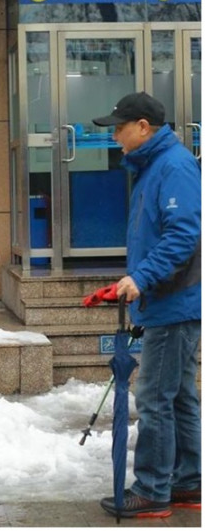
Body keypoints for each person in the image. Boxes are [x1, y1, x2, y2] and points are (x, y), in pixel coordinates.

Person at [92, 92, 201, 518]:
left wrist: (141, 278)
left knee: (154, 396)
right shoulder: (154, 166)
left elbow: (183, 235)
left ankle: (153, 489)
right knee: (178, 398)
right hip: (170, 300)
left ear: (143, 127)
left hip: (174, 302)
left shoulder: (172, 167)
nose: (114, 136)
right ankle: (189, 482)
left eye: (119, 128)